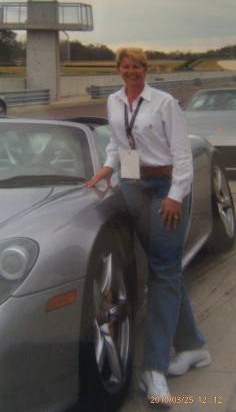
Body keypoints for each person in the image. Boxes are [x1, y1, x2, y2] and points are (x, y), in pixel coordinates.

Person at [86, 47, 211, 407]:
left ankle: (153, 369)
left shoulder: (164, 103)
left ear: (146, 69)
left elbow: (182, 153)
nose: (131, 71)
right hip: (132, 185)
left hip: (165, 188)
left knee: (162, 272)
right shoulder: (113, 102)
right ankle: (194, 347)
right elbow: (117, 141)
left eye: (137, 66)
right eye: (125, 66)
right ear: (118, 70)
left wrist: (175, 195)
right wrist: (107, 169)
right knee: (166, 271)